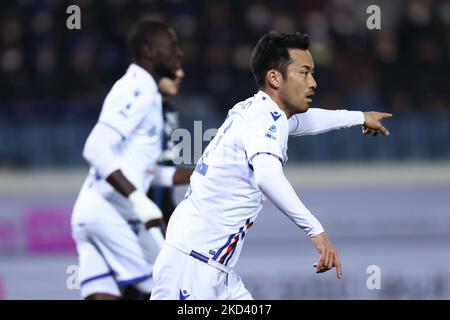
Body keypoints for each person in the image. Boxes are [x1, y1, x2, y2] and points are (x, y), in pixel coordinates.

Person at [150, 31, 392, 300]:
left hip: (214, 270)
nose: (313, 83)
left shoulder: (260, 111)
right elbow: (267, 176)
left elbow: (308, 121)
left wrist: (359, 117)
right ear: (274, 78)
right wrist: (316, 231)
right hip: (191, 269)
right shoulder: (264, 119)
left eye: (313, 73)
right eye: (304, 72)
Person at [71, 19, 184, 300]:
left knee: (103, 294)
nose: (178, 54)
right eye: (170, 47)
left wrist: (203, 173)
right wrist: (138, 199)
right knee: (173, 287)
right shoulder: (139, 89)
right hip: (112, 212)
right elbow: (95, 148)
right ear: (148, 51)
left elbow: (144, 170)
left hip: (92, 212)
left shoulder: (144, 90)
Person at [148, 69, 192, 224]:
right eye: (172, 71)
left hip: (165, 192)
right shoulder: (144, 109)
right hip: (145, 195)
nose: (180, 74)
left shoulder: (170, 108)